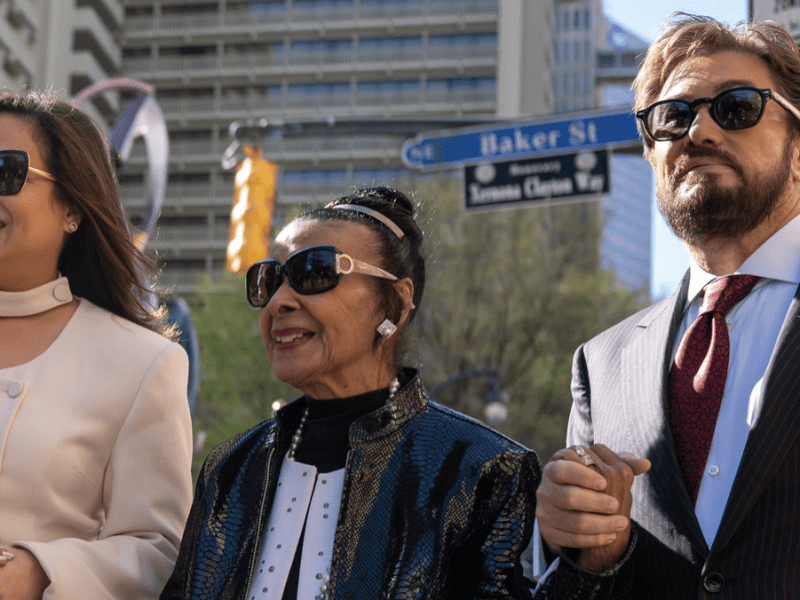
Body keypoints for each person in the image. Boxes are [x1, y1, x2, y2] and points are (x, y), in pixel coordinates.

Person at [532, 14, 800, 599]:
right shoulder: (601, 364)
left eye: (736, 107)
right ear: (652, 155)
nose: (698, 131)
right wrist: (584, 547)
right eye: (673, 117)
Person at [160, 187, 540, 600]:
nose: (279, 302)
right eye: (269, 280)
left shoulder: (483, 471)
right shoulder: (229, 470)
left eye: (315, 272)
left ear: (396, 302)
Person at [0, 91, 193, 599]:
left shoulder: (142, 363)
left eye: (5, 171)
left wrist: (42, 571)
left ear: (73, 207)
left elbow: (160, 551)